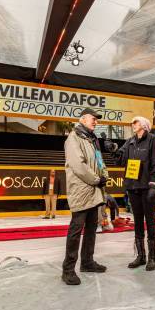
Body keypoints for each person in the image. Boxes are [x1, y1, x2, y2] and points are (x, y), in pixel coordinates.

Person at [106, 116, 155, 271]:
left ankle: (152, 257)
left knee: (150, 220)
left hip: (148, 188)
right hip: (133, 187)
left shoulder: (153, 140)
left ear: (144, 125)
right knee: (138, 221)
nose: (133, 124)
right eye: (132, 122)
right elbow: (120, 160)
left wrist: (154, 185)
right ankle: (141, 256)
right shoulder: (130, 141)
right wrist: (112, 149)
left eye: (136, 122)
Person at [62, 108, 109, 285]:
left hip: (94, 190)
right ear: (82, 119)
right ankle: (67, 270)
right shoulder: (73, 138)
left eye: (97, 119)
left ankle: (87, 262)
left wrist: (105, 175)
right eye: (93, 118)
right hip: (82, 190)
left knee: (91, 229)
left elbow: (99, 160)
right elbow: (78, 165)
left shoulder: (91, 139)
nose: (95, 121)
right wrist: (97, 179)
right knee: (76, 230)